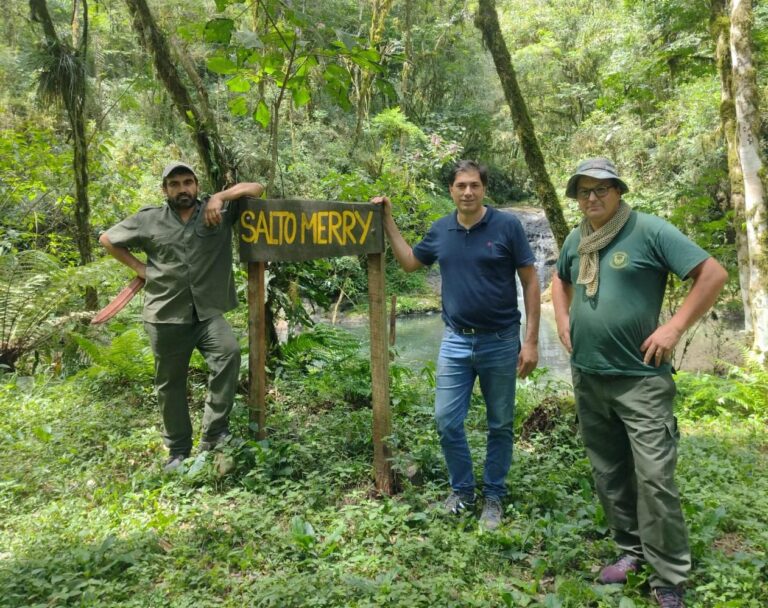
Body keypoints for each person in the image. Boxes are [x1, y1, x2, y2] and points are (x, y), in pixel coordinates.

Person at [551, 158, 727, 608]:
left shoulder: (648, 231)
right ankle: (630, 551)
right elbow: (559, 279)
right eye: (584, 191)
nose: (592, 198)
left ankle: (668, 577)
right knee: (609, 473)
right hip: (590, 377)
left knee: (654, 480)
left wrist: (674, 328)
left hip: (641, 381)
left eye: (601, 189)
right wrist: (562, 317)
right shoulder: (578, 239)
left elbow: (712, 274)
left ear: (618, 191)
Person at [372, 160, 540, 530]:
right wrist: (387, 220)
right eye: (461, 185)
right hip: (455, 342)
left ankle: (493, 497)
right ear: (451, 190)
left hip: (500, 340)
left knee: (500, 424)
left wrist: (530, 342)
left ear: (484, 189)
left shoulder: (507, 226)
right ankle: (462, 490)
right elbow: (410, 263)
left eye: (475, 185)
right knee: (447, 420)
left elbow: (530, 281)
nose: (468, 192)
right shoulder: (441, 230)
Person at [100, 161, 264, 472]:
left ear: (196, 186)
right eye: (174, 184)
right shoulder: (149, 220)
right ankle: (177, 450)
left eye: (187, 182)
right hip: (165, 315)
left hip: (207, 314)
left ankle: (214, 435)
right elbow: (108, 239)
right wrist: (138, 268)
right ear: (165, 190)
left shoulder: (217, 212)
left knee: (228, 354)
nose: (182, 189)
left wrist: (221, 196)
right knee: (170, 383)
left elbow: (256, 189)